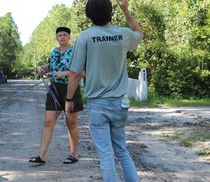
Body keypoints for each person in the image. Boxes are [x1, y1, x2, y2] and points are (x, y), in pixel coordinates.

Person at [65, 0, 143, 181]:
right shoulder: (123, 34)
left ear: (89, 15)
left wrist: (69, 99)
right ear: (110, 13)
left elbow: (75, 74)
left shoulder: (85, 37)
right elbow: (139, 33)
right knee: (122, 150)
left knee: (106, 154)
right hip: (120, 103)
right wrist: (125, 10)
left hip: (97, 104)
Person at [29, 27, 84, 164]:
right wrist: (41, 68)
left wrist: (64, 74)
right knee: (48, 122)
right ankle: (41, 156)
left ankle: (73, 154)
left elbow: (83, 72)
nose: (62, 37)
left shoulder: (76, 52)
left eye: (65, 35)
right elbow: (52, 66)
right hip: (54, 89)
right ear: (56, 38)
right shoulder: (53, 52)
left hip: (71, 88)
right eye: (59, 35)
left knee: (71, 123)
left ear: (69, 37)